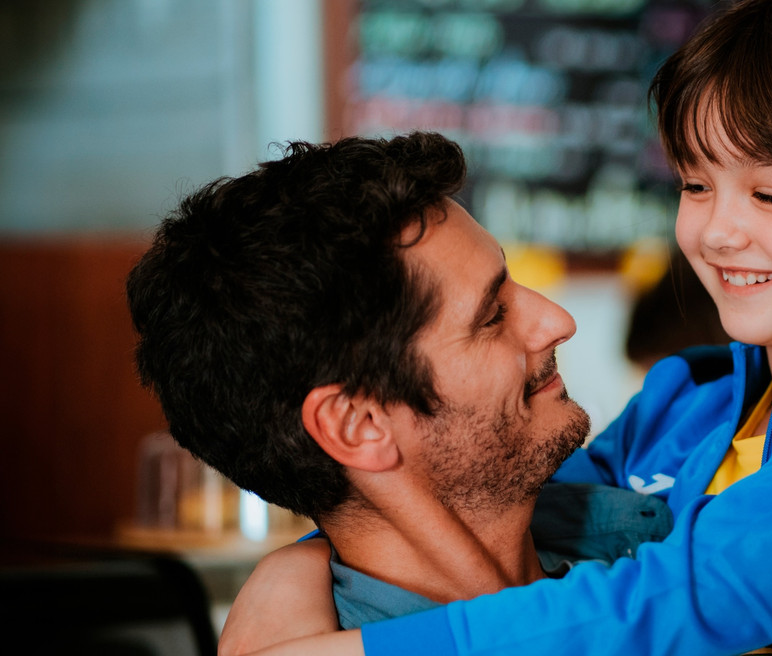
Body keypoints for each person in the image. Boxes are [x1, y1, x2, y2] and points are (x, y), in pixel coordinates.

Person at [229, 0, 772, 656]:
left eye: (770, 194)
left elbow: (698, 595)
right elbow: (487, 506)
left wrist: (366, 651)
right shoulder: (682, 408)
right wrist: (294, 568)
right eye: (695, 185)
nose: (718, 230)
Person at [127, 131, 673, 633]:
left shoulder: (642, 501)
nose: (558, 321)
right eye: (490, 316)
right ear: (359, 425)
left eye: (512, 282)